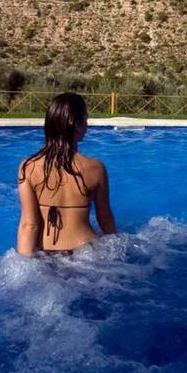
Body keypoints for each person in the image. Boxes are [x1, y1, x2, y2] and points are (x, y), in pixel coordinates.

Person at [17, 92, 116, 256]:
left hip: (47, 256)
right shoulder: (96, 168)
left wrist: (24, 263)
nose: (87, 124)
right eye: (85, 119)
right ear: (76, 125)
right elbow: (105, 219)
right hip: (87, 254)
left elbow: (29, 225)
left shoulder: (28, 167)